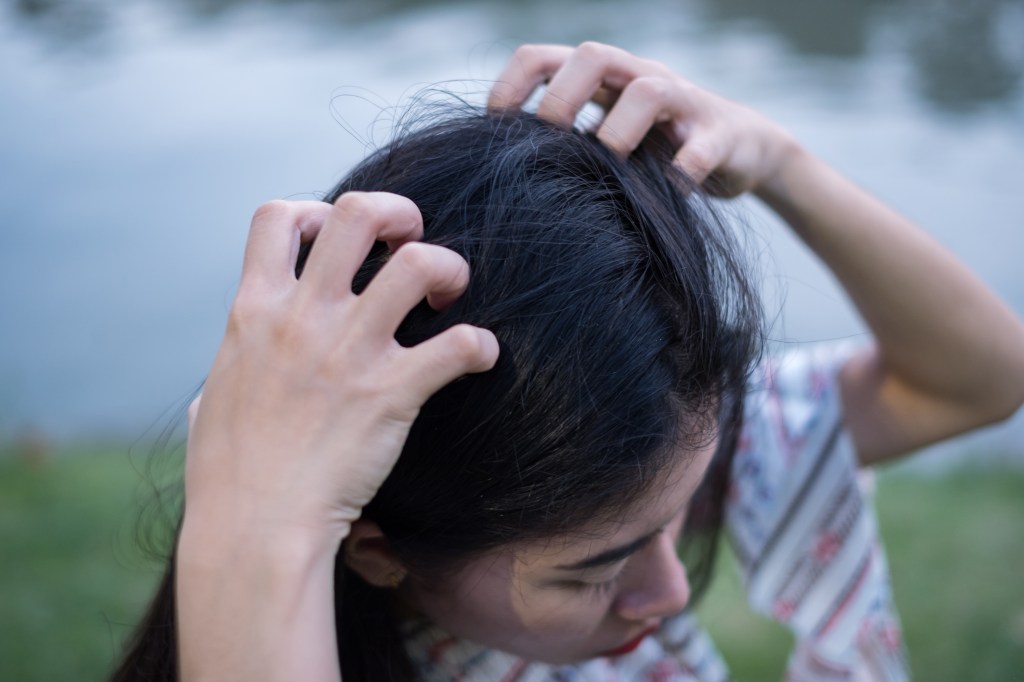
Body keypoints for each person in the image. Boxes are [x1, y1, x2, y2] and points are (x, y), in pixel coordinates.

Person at [111, 43, 1024, 681]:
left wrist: (780, 162)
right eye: (590, 572)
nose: (667, 595)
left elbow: (976, 382)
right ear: (379, 549)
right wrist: (256, 519)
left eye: (678, 516)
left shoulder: (639, 461)